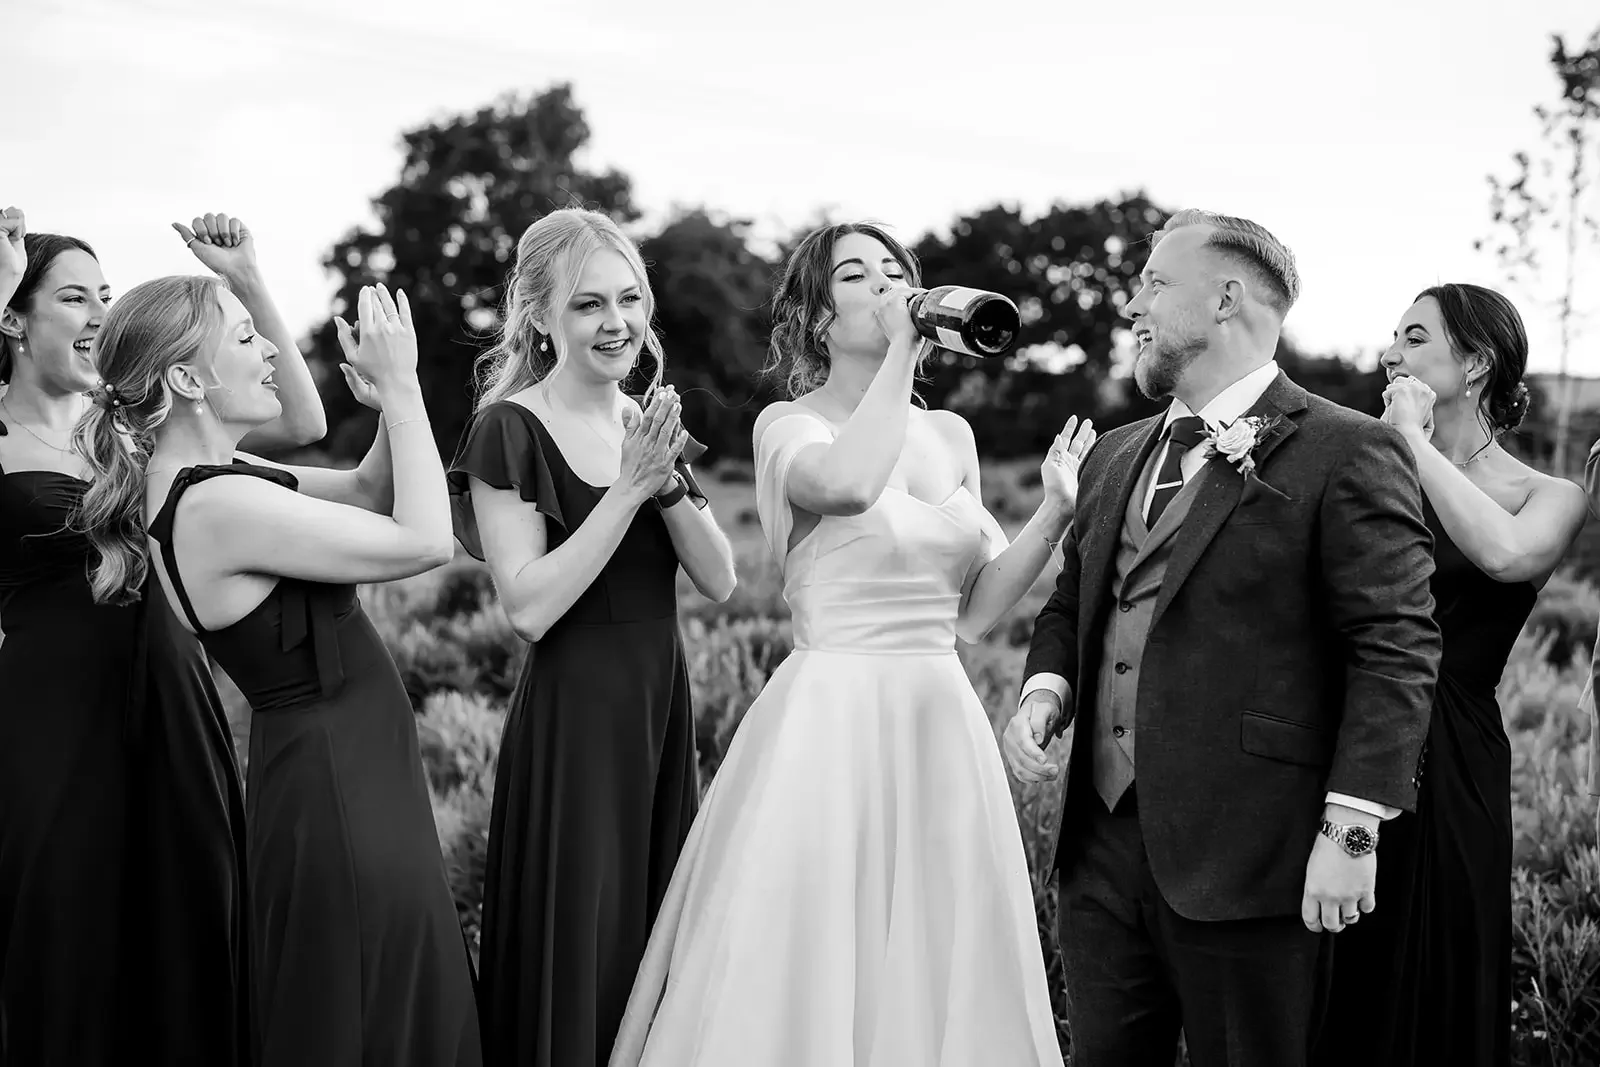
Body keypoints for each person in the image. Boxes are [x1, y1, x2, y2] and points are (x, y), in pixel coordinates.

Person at [610, 221, 1088, 1067]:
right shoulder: (788, 426)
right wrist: (905, 345)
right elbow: (850, 485)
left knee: (940, 952)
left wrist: (1052, 512)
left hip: (936, 718)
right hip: (827, 723)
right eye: (857, 275)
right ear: (818, 319)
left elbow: (974, 611)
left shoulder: (951, 438)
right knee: (814, 951)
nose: (884, 285)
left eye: (894, 272)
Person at [1003, 209, 1443, 1067]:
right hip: (1099, 853)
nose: (1133, 303)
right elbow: (1074, 596)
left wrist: (1353, 828)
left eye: (1155, 283)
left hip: (1257, 859)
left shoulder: (1347, 449)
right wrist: (1046, 690)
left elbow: (1394, 645)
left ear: (1227, 298)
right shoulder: (1115, 452)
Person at [72, 274, 480, 1067]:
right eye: (245, 336)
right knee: (373, 997)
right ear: (188, 379)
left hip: (352, 776)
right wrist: (402, 391)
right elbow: (426, 540)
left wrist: (389, 404)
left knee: (387, 990)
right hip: (336, 793)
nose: (267, 346)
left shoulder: (226, 482)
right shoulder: (215, 507)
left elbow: (369, 488)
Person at [0, 208, 324, 1065]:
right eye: (74, 297)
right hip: (52, 732)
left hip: (174, 710)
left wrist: (248, 280)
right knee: (66, 939)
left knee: (192, 923)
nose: (101, 313)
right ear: (14, 319)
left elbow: (301, 425)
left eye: (106, 295)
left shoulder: (132, 433)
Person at [447, 207, 737, 1067]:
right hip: (577, 720)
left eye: (630, 299)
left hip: (659, 709)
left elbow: (720, 578)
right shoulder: (510, 428)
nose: (617, 324)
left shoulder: (644, 419)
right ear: (540, 317)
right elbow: (529, 606)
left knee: (654, 939)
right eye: (587, 305)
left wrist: (663, 476)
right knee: (580, 940)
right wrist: (626, 488)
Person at [1315, 283, 1586, 1067]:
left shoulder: (1548, 493)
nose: (1390, 352)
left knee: (1435, 962)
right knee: (1335, 973)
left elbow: (1504, 554)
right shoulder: (1366, 462)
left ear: (1476, 364)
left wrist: (1412, 442)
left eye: (1415, 337)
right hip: (1342, 734)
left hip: (1453, 757)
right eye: (1392, 338)